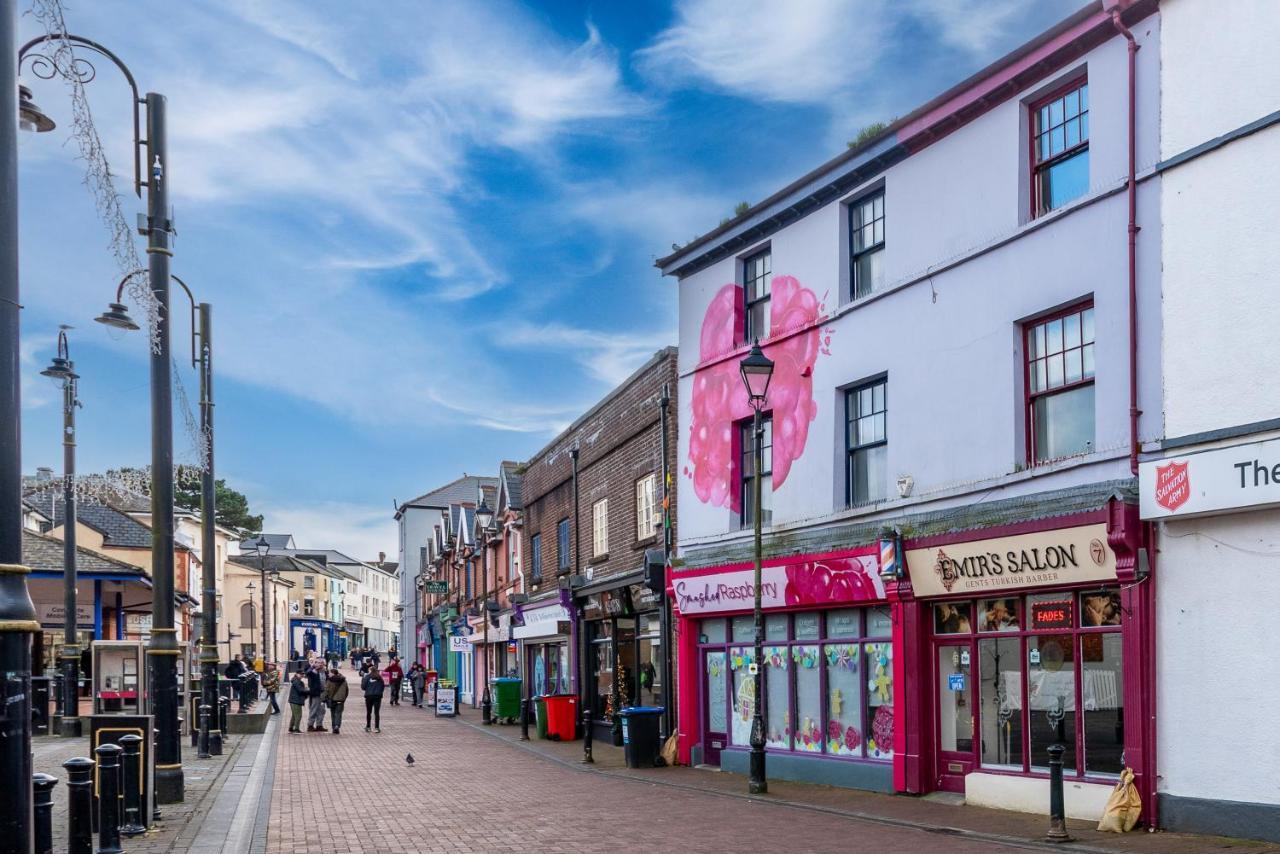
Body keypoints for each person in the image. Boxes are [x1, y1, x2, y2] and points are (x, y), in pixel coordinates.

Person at [323, 667, 349, 734]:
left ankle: (334, 726)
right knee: (338, 713)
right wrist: (343, 698)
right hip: (341, 700)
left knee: (333, 714)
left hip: (332, 699)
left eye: (329, 673)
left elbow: (327, 690)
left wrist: (323, 698)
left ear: (333, 673)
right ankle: (337, 726)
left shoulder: (330, 680)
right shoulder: (343, 680)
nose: (328, 674)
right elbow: (347, 691)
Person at [361, 664, 385, 732]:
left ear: (370, 670)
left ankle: (368, 726)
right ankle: (377, 727)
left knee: (369, 712)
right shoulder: (379, 677)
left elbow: (363, 687)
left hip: (369, 696)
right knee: (376, 712)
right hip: (377, 696)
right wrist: (379, 692)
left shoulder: (367, 677)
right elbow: (383, 686)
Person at [305, 662, 327, 732]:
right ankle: (310, 725)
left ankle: (319, 725)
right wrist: (313, 667)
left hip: (323, 693)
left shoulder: (325, 672)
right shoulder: (313, 672)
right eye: (320, 664)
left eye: (322, 664)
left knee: (322, 710)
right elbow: (307, 673)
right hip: (315, 694)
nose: (321, 665)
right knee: (314, 709)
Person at [287, 669, 307, 734]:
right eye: (301, 674)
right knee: (298, 715)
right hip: (296, 700)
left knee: (294, 715)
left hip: (294, 700)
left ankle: (291, 728)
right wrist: (308, 691)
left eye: (303, 674)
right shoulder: (296, 681)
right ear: (297, 674)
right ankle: (296, 729)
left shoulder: (296, 681)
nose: (302, 675)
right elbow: (300, 690)